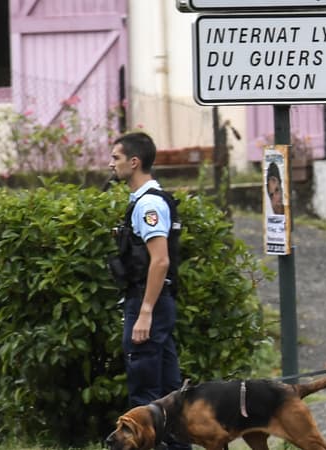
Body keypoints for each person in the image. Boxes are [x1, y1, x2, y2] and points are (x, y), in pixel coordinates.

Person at [108, 132, 189, 450]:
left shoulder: (149, 205)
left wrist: (144, 311)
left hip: (148, 302)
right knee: (170, 396)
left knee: (145, 394)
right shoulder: (146, 200)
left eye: (115, 157)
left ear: (134, 161)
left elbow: (160, 261)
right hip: (154, 303)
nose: (111, 164)